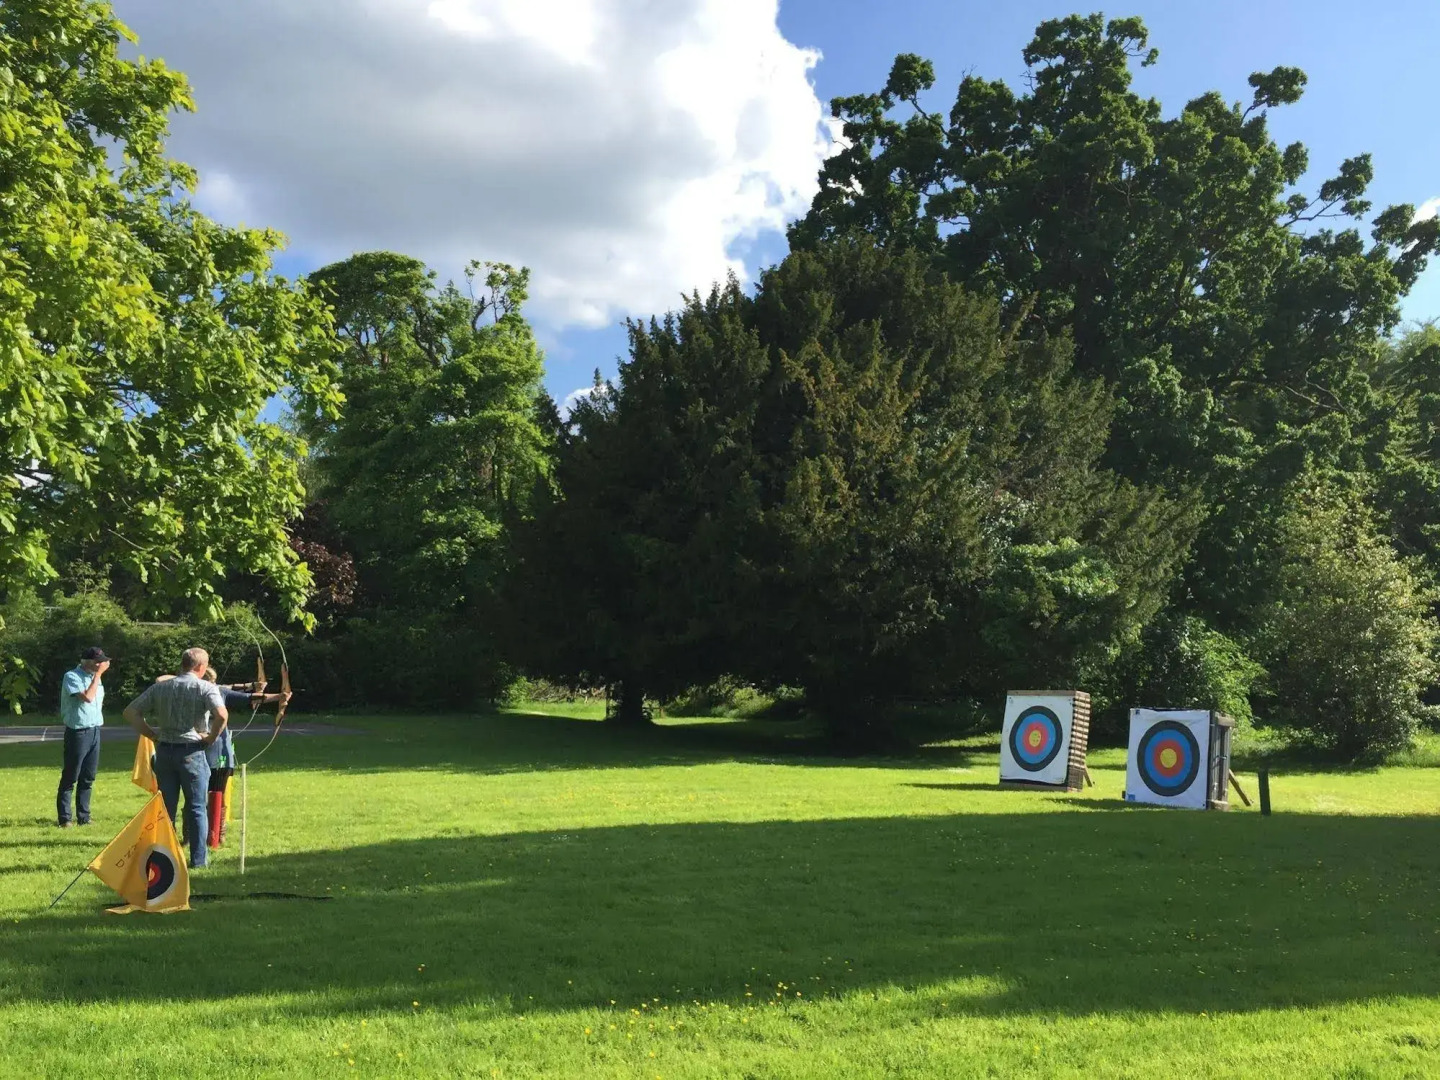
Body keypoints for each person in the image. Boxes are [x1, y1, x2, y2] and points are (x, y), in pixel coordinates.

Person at [152, 668, 289, 849]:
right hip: (205, 753)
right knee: (204, 797)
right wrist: (280, 696)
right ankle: (200, 837)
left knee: (206, 796)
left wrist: (277, 695)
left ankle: (210, 836)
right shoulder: (204, 691)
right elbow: (160, 678)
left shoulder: (211, 691)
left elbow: (251, 697)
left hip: (212, 754)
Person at [123, 648, 228, 869]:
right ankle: (198, 861)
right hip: (191, 751)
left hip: (164, 752)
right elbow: (222, 715)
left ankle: (164, 859)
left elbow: (130, 712)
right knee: (197, 807)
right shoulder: (205, 687)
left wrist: (151, 733)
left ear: (182, 664)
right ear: (201, 667)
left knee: (166, 808)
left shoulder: (161, 687)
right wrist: (210, 738)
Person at [57, 646, 110, 827]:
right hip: (78, 732)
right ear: (86, 662)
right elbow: (87, 697)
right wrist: (98, 676)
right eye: (97, 661)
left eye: (102, 660)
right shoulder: (72, 676)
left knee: (88, 776)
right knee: (71, 775)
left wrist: (96, 676)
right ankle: (65, 818)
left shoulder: (94, 677)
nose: (101, 664)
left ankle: (84, 816)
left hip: (95, 730)